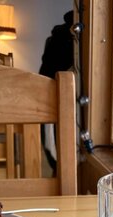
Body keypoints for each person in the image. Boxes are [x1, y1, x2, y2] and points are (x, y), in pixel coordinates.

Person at [38, 11, 75, 172]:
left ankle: (59, 170)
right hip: (57, 99)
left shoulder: (57, 37)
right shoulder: (65, 39)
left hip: (48, 96)